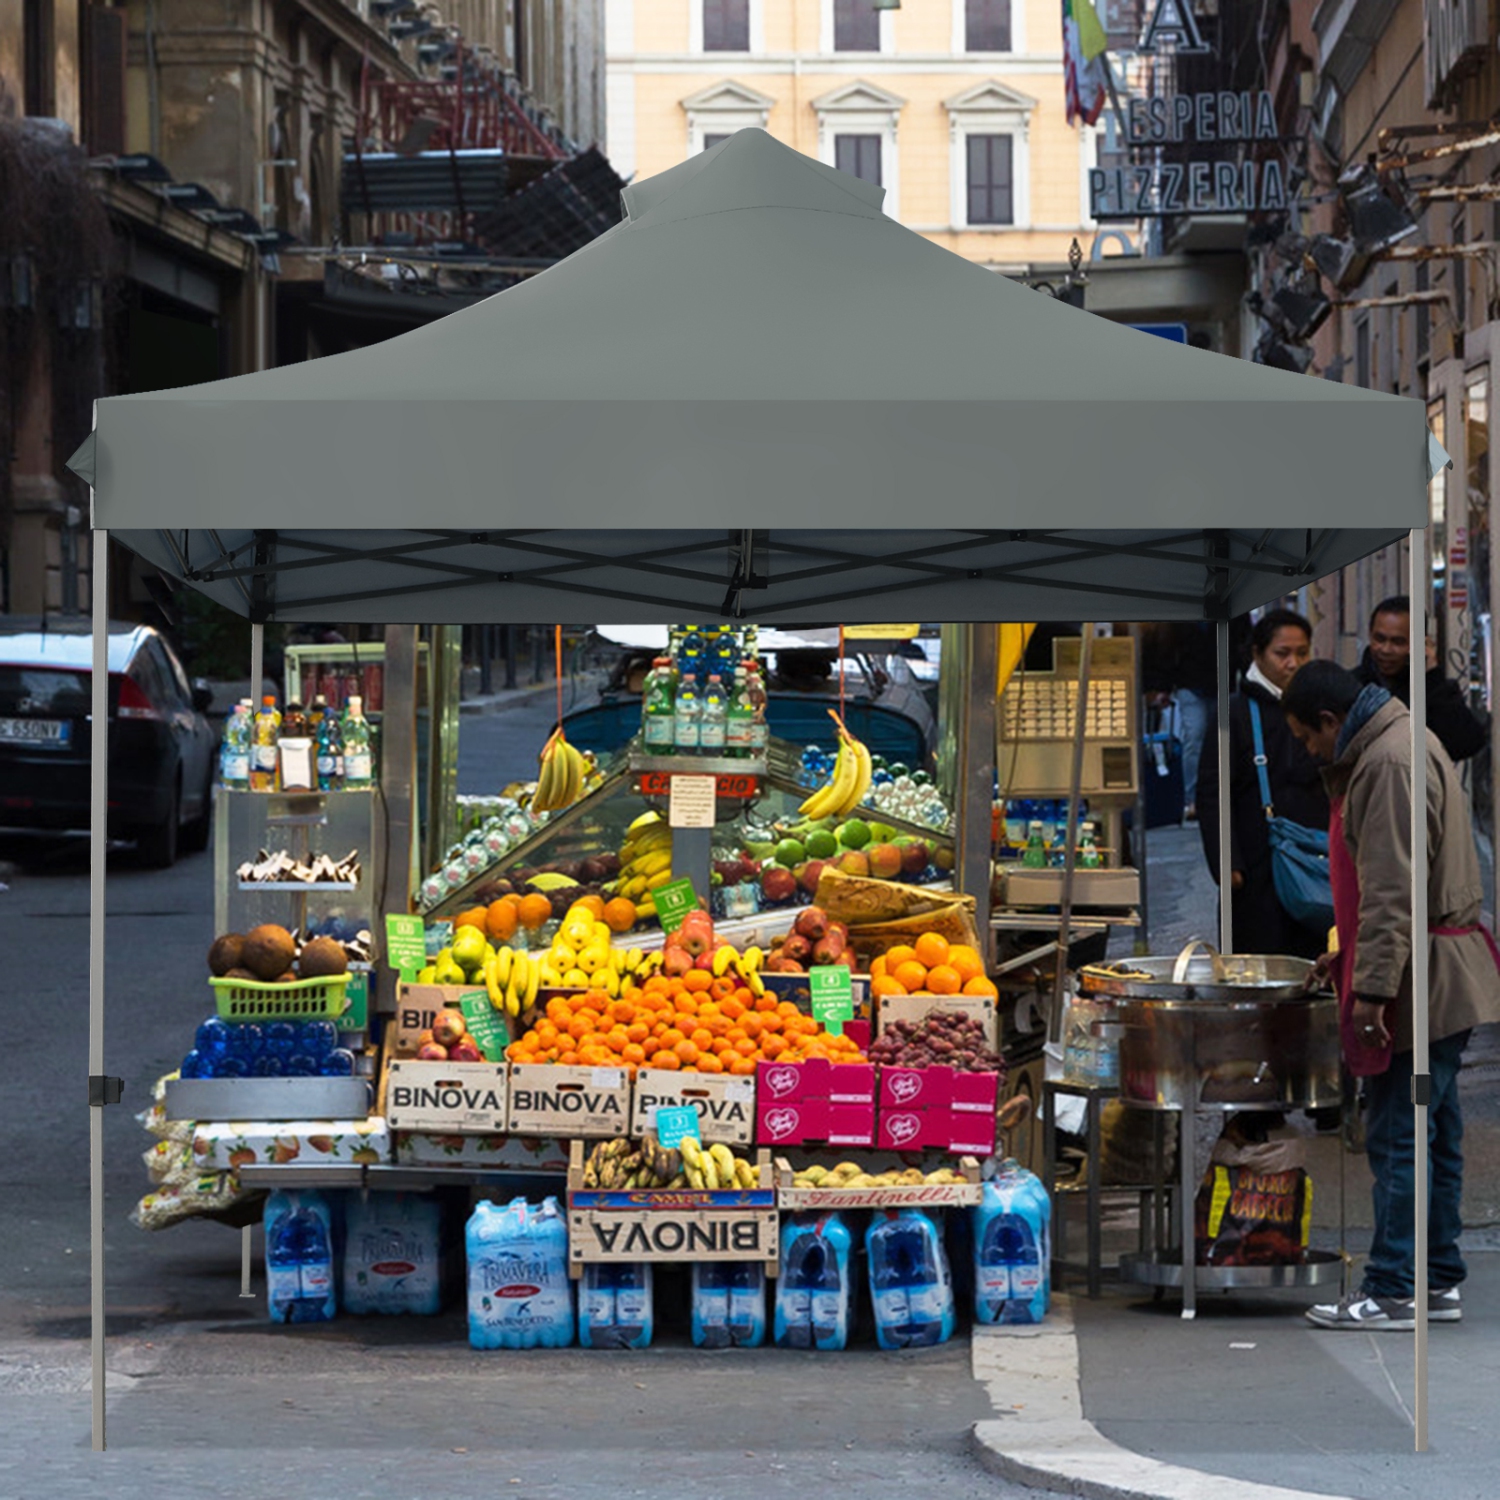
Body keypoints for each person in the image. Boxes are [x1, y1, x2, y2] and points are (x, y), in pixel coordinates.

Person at [1284, 661, 1500, 1330]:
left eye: (1308, 738)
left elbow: (1391, 890)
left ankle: (1393, 1286)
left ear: (1330, 721)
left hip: (1421, 984)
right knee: (1434, 1128)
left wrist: (1372, 991)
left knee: (1401, 1133)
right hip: (1437, 969)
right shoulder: (1404, 740)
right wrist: (1347, 957)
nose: (1310, 753)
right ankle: (1436, 1276)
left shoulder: (1385, 763)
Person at [1196, 609, 1328, 959]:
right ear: (1257, 653)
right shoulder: (1233, 714)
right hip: (1255, 869)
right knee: (1256, 963)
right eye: (1282, 653)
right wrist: (1227, 861)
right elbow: (1213, 792)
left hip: (1315, 864)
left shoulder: (1320, 708)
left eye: (1302, 653)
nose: (1292, 663)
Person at [1355, 595, 1486, 763]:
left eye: (1398, 642)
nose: (1386, 649)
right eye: (1379, 639)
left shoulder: (1434, 690)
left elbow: (1466, 744)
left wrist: (1431, 676)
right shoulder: (1354, 687)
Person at [1138, 623, 1217, 820]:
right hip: (1194, 681)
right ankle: (1194, 798)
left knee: (1198, 739)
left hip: (1204, 680)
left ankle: (1201, 796)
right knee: (1196, 737)